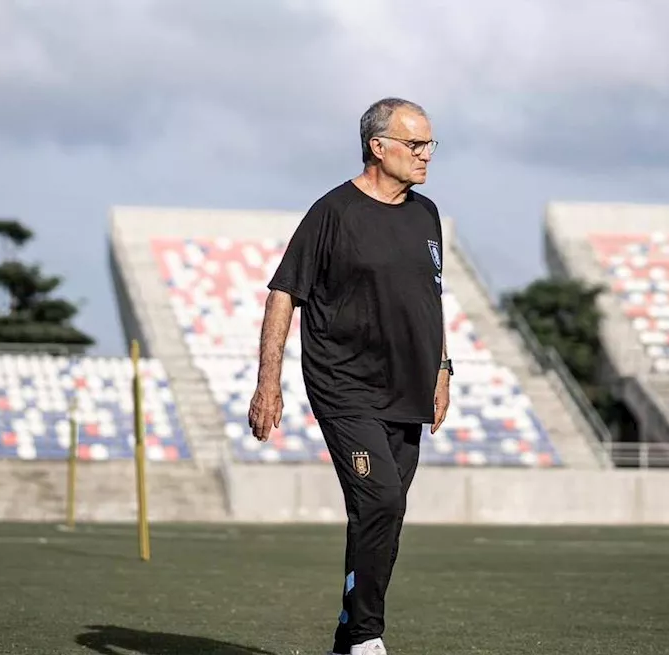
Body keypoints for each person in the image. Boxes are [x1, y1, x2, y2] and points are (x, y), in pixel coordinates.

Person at [247, 97, 453, 655]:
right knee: (380, 501)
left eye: (430, 144)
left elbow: (430, 302)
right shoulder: (332, 212)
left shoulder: (427, 214)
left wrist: (442, 368)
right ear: (377, 146)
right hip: (346, 388)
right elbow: (284, 292)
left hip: (409, 388)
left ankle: (347, 637)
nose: (426, 155)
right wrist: (269, 383)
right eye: (415, 145)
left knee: (382, 513)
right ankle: (366, 637)